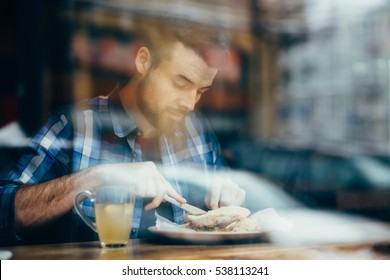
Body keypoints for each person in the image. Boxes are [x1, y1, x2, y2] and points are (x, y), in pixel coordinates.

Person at [0, 18, 245, 245]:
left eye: (201, 91)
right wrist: (98, 178)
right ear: (143, 61)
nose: (190, 104)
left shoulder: (198, 133)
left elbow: (224, 219)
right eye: (180, 83)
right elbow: (6, 210)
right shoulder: (76, 126)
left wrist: (227, 198)